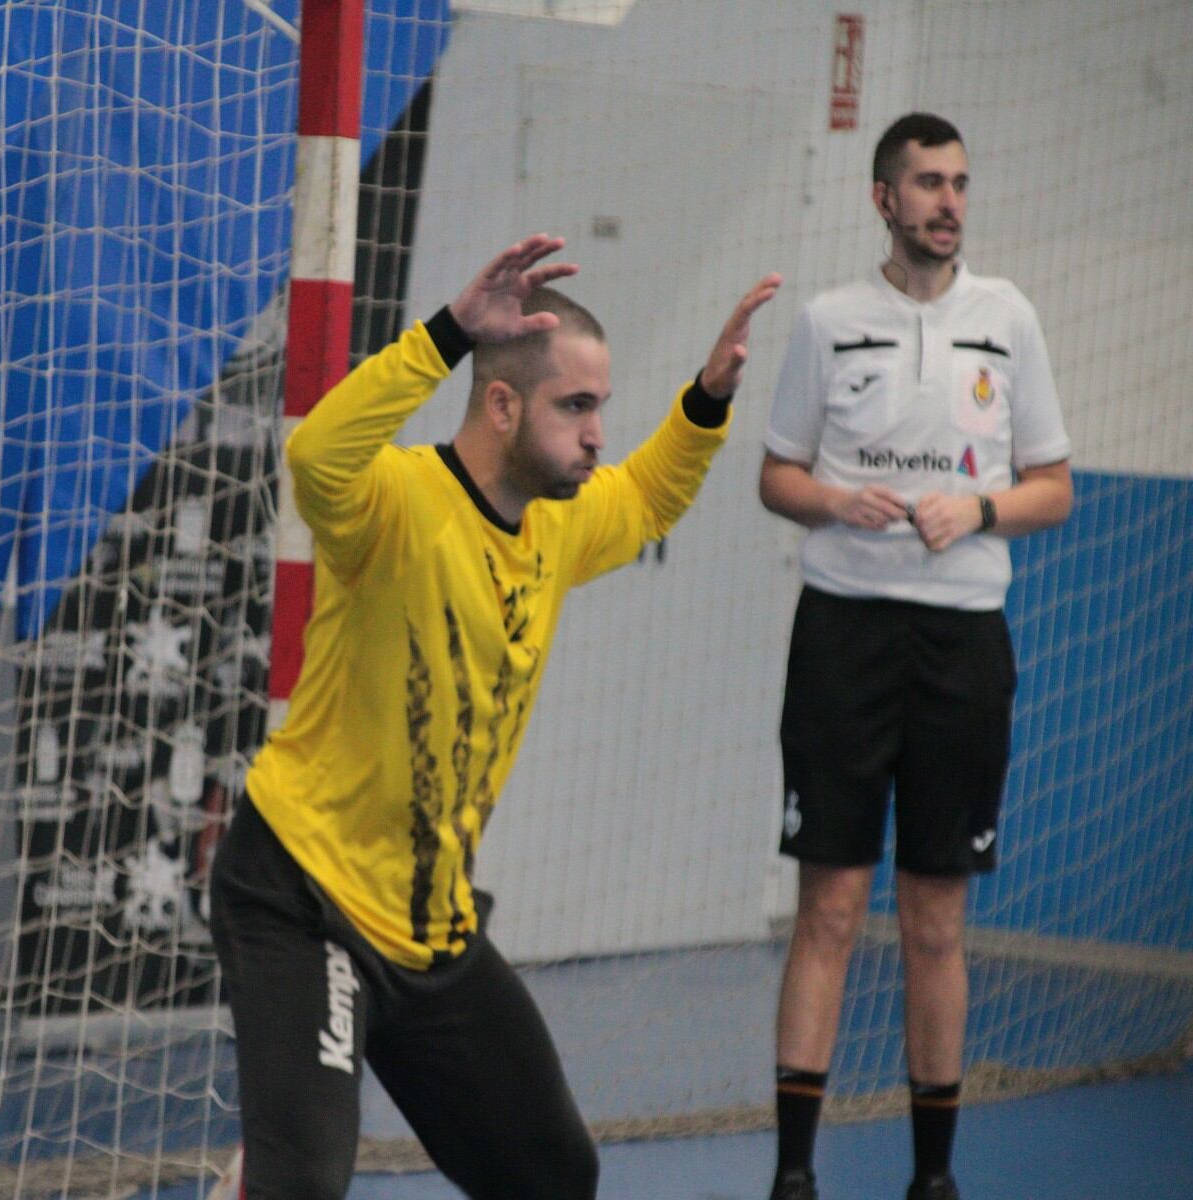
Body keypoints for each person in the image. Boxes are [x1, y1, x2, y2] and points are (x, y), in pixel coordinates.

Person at [209, 234, 780, 1200]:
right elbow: (316, 453)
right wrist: (446, 335)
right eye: (578, 407)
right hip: (307, 902)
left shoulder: (557, 523)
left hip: (432, 929)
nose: (599, 434)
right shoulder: (397, 504)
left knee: (554, 1175)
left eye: (601, 407)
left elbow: (643, 498)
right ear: (503, 403)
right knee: (303, 1189)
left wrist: (706, 401)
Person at [760, 114, 1073, 1200]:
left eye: (959, 184)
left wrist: (979, 508)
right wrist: (838, 499)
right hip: (844, 637)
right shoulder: (826, 321)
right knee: (830, 909)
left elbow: (1054, 487)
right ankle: (794, 1176)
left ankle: (930, 1179)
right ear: (882, 198)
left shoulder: (1009, 320)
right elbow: (776, 477)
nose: (948, 201)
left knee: (936, 920)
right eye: (927, 183)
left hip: (960, 648)